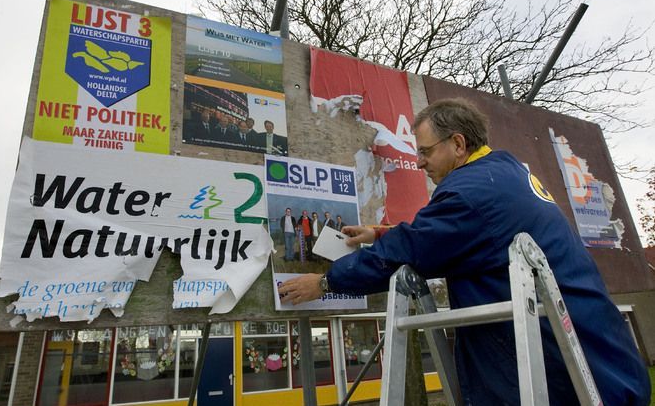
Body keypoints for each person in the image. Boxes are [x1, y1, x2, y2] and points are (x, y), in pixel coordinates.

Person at [278, 98, 650, 405]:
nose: (419, 161)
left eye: (424, 152)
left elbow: (417, 247)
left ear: (458, 144)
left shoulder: (469, 194)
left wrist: (326, 282)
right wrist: (378, 232)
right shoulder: (504, 171)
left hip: (565, 371)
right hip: (602, 363)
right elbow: (468, 234)